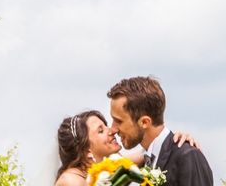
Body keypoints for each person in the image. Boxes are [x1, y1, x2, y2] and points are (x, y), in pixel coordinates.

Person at [107, 76, 213, 186]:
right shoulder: (146, 161)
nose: (113, 129)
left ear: (144, 122)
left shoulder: (187, 156)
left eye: (118, 121)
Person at [54, 110, 200, 186]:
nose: (112, 130)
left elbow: (153, 149)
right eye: (101, 130)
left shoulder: (107, 168)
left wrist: (179, 140)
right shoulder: (70, 181)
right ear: (86, 150)